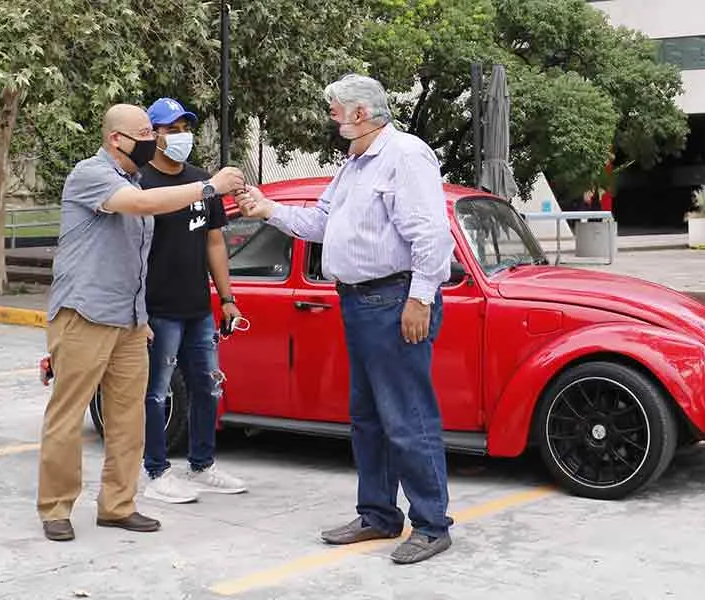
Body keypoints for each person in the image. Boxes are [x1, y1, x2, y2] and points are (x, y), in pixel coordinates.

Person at [234, 74, 456, 564]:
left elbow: (432, 235)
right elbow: (320, 222)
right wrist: (267, 208)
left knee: (407, 416)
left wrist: (420, 299)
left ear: (361, 113)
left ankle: (431, 523)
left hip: (394, 299)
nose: (331, 115)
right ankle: (378, 514)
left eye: (336, 107)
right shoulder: (354, 163)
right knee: (368, 418)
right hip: (359, 302)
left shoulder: (406, 155)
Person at [38, 103, 245, 542]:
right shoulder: (92, 175)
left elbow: (137, 259)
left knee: (128, 416)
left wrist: (142, 315)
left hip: (131, 320)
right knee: (68, 414)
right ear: (117, 138)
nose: (154, 139)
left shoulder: (133, 177)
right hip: (85, 314)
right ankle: (56, 507)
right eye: (146, 131)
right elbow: (140, 204)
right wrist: (209, 186)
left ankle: (117, 504)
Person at [138, 97, 247, 503]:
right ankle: (157, 472)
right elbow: (129, 250)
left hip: (198, 308)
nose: (181, 136)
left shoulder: (204, 182)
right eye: (171, 129)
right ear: (153, 135)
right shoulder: (141, 183)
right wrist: (138, 311)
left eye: (185, 128)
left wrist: (228, 298)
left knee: (208, 386)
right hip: (158, 309)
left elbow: (214, 242)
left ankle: (202, 464)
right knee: (157, 393)